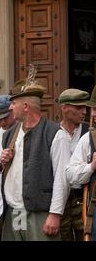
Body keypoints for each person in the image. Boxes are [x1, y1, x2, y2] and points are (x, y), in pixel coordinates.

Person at [0, 78, 70, 241]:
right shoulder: (9, 134)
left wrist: (55, 214)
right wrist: (2, 163)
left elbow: (62, 179)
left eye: (13, 103)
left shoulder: (55, 134)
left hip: (41, 214)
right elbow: (6, 172)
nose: (10, 107)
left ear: (25, 107)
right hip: (13, 212)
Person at [57, 88, 89, 241]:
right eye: (79, 107)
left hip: (83, 195)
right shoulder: (52, 132)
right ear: (65, 108)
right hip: (60, 199)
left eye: (85, 107)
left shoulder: (90, 133)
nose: (84, 112)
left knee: (86, 235)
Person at [65, 85, 96, 240]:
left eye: (87, 108)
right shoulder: (89, 138)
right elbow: (69, 173)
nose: (88, 113)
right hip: (67, 201)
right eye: (80, 107)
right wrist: (91, 167)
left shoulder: (86, 132)